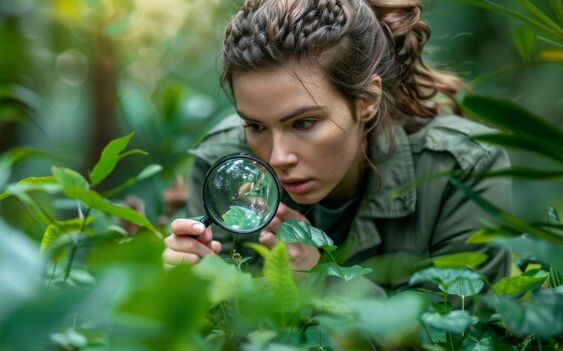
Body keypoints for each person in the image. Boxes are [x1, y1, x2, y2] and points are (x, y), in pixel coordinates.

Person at [162, 0, 510, 290]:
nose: (278, 157)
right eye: (255, 126)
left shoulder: (460, 169)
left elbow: (464, 334)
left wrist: (320, 281)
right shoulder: (219, 159)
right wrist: (196, 290)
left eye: (303, 123)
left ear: (367, 101)